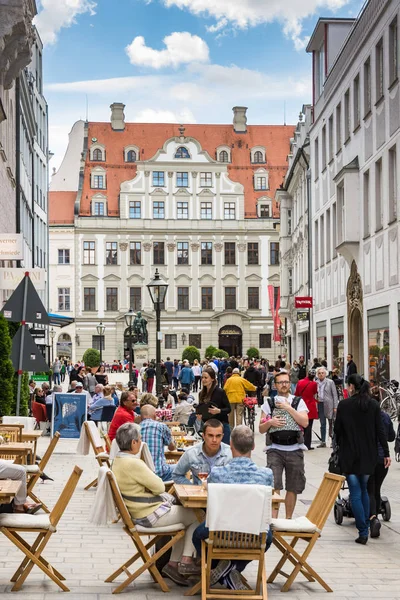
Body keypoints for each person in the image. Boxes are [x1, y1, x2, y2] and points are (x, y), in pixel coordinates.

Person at [112, 423, 200, 586]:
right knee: (197, 516)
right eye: (139, 440)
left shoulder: (118, 460)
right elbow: (159, 486)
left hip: (138, 513)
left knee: (184, 521)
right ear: (133, 443)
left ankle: (173, 565)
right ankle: (185, 562)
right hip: (147, 515)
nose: (140, 442)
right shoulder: (133, 463)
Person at [192, 425, 274, 591]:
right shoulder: (266, 474)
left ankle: (222, 567)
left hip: (221, 530)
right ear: (253, 446)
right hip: (254, 533)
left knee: (197, 535)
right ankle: (233, 568)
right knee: (269, 537)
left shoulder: (217, 473)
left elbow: (210, 501)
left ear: (230, 444)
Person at [334, 374, 390, 544]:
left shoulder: (344, 405)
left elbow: (337, 431)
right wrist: (386, 453)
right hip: (369, 455)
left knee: (356, 492)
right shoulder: (373, 405)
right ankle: (366, 523)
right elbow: (381, 431)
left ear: (351, 387)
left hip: (349, 455)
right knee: (365, 490)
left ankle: (363, 531)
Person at [259, 370, 309, 518]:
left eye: (286, 382)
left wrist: (288, 408)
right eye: (280, 382)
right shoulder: (269, 403)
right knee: (275, 486)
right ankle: (273, 520)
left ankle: (288, 519)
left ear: (290, 383)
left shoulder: (298, 402)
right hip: (275, 449)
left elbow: (304, 422)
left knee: (293, 487)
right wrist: (270, 422)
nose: (284, 385)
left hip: (295, 449)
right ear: (275, 385)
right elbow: (261, 429)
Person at [367, 397, 395, 538]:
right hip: (382, 458)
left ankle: (372, 518)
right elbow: (391, 437)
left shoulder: (366, 417)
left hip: (368, 458)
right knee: (376, 488)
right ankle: (375, 515)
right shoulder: (385, 417)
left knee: (369, 489)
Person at [173, 419, 232, 485]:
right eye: (210, 435)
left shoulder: (230, 453)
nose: (214, 440)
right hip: (198, 494)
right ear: (203, 436)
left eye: (218, 436)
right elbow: (177, 475)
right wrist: (192, 489)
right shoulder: (191, 453)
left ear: (222, 436)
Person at [140, 405, 176, 481]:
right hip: (159, 473)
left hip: (141, 474)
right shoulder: (161, 426)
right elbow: (172, 448)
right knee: (182, 468)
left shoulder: (136, 428)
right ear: (155, 415)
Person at [197, 366, 231, 444]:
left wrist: (218, 411)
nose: (203, 380)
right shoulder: (201, 394)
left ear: (212, 379)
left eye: (206, 378)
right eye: (202, 377)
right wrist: (200, 416)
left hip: (222, 426)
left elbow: (228, 409)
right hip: (208, 427)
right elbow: (202, 410)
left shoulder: (220, 392)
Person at [295, 370, 318, 450]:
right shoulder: (314, 384)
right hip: (310, 406)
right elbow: (314, 392)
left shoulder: (300, 382)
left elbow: (297, 393)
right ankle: (307, 444)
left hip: (301, 405)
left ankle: (300, 442)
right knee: (309, 426)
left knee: (301, 426)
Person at [316, 366, 338, 448]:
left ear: (325, 374)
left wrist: (335, 406)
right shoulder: (316, 382)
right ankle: (323, 441)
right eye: (319, 373)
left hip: (329, 404)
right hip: (320, 403)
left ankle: (333, 441)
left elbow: (335, 395)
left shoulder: (330, 382)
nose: (321, 374)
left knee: (331, 423)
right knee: (322, 423)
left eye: (322, 373)